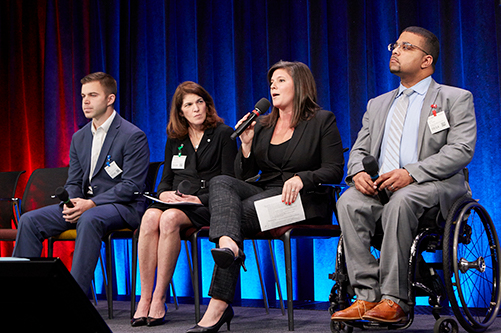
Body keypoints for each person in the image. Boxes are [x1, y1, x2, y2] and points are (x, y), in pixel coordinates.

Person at [331, 26, 476, 323]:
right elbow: (359, 150)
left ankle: (394, 300)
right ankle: (366, 295)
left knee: (402, 201)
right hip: (382, 187)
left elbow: (460, 150)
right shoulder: (378, 104)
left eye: (406, 47)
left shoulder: (454, 98)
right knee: (349, 201)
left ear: (427, 61)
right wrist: (357, 172)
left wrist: (411, 173)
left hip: (434, 187)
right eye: (395, 45)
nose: (396, 50)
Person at [187, 61, 345, 333]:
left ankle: (218, 305)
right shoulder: (262, 124)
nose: (273, 86)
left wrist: (302, 178)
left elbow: (334, 169)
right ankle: (230, 247)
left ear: (301, 85)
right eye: (272, 81)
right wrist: (246, 145)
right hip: (265, 192)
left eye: (281, 80)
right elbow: (244, 175)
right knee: (221, 181)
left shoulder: (321, 120)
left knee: (231, 214)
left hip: (302, 200)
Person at [13, 72, 150, 294]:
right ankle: (23, 295)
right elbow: (74, 180)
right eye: (83, 95)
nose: (85, 101)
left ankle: (74, 298)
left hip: (123, 207)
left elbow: (132, 186)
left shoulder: (132, 135)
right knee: (29, 221)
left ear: (110, 99)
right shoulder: (80, 137)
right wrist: (72, 201)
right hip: (85, 206)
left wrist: (91, 203)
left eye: (93, 95)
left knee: (89, 218)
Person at [131, 81, 237, 327]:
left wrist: (198, 198)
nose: (196, 108)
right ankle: (144, 299)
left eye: (200, 102)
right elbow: (165, 179)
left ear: (207, 105)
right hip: (176, 200)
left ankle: (159, 298)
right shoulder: (175, 139)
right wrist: (164, 194)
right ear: (180, 112)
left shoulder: (223, 134)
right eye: (189, 105)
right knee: (149, 217)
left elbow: (230, 182)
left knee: (168, 219)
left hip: (207, 203)